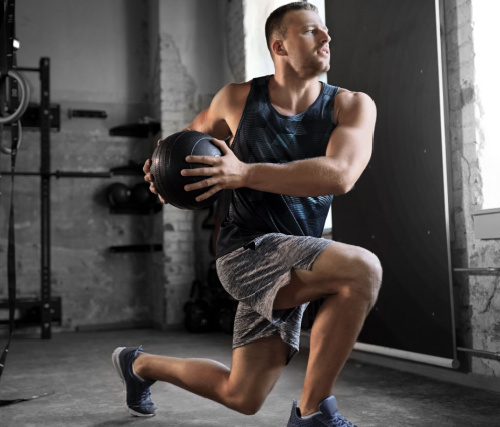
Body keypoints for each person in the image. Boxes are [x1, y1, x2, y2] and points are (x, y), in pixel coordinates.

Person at [113, 2, 381, 426]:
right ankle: (313, 416)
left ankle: (139, 365)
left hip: (298, 257)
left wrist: (243, 173)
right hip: (246, 253)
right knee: (362, 270)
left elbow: (341, 175)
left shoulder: (351, 107)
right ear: (279, 45)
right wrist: (159, 173)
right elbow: (183, 148)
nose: (327, 38)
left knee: (242, 395)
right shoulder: (237, 100)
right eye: (312, 31)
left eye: (325, 31)